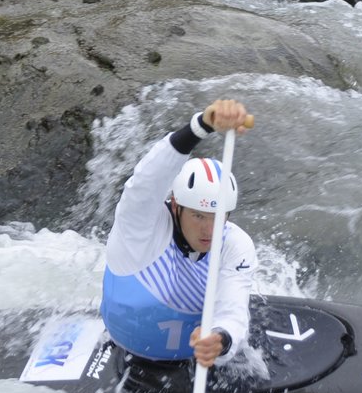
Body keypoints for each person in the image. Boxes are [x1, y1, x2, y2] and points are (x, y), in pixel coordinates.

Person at [101, 98, 257, 369]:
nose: (210, 230)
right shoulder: (140, 228)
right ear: (176, 206)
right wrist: (200, 126)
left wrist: (221, 340)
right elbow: (147, 179)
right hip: (125, 353)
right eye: (198, 216)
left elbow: (233, 309)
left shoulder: (235, 243)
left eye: (219, 218)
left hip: (194, 360)